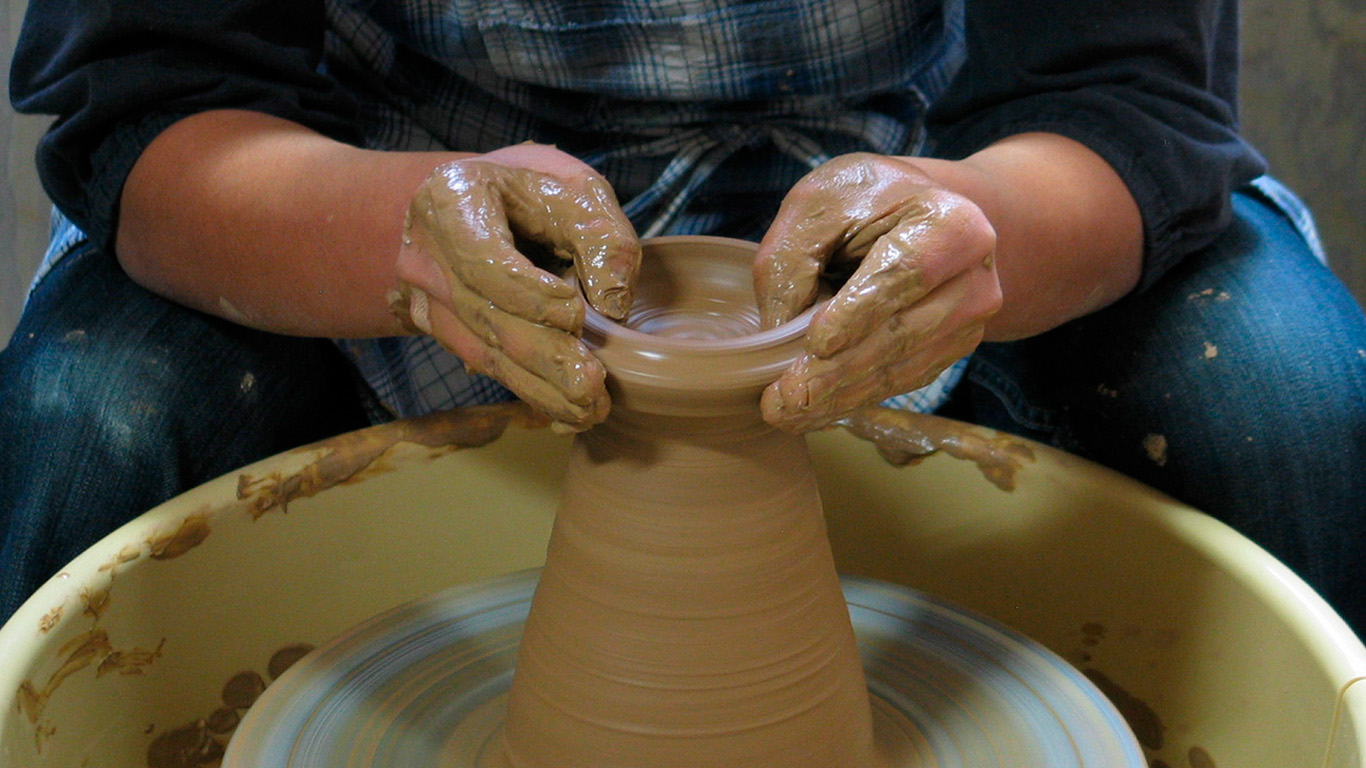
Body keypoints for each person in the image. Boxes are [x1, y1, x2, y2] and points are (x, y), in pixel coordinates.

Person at [3, 0, 1364, 634]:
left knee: (1286, 408)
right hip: (380, 181)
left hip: (926, 169)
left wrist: (978, 229)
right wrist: (393, 230)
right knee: (82, 434)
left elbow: (1121, 93)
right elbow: (154, 99)